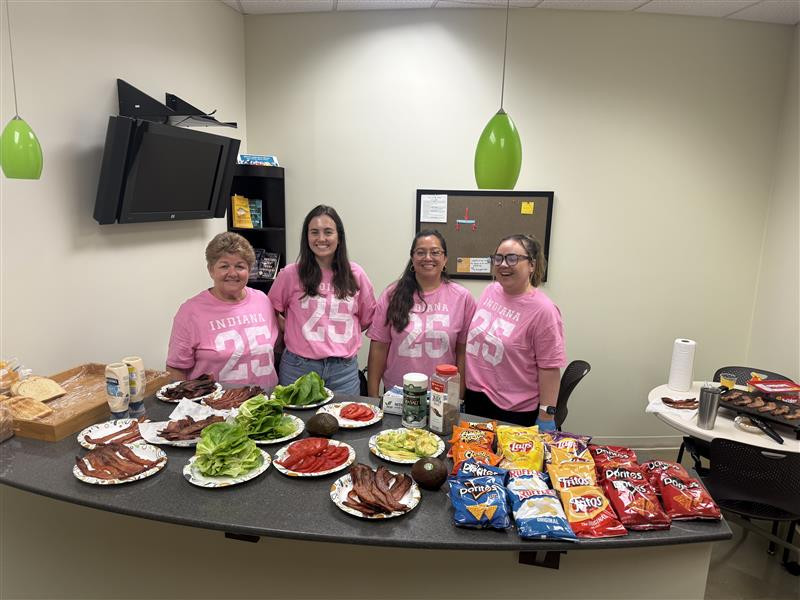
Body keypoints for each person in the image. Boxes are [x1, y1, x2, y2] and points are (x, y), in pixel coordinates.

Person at [268, 205, 376, 395]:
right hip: (298, 368)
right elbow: (270, 312)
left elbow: (367, 318)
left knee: (346, 423)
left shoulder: (356, 274)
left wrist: (334, 332)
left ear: (339, 236)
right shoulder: (290, 274)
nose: (321, 239)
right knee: (296, 423)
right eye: (314, 232)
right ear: (306, 237)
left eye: (328, 232)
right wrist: (292, 329)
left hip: (343, 371)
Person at [464, 234, 566, 431]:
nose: (503, 264)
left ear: (532, 265)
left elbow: (550, 369)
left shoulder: (544, 311)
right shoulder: (490, 291)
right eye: (498, 258)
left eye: (512, 258)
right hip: (476, 399)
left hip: (513, 411)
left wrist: (546, 416)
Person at [367, 230, 476, 397]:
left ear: (445, 259)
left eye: (435, 252)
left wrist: (458, 396)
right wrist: (372, 396)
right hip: (398, 394)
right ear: (412, 258)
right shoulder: (392, 295)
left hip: (443, 396)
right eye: (420, 252)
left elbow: (462, 352)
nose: (428, 257)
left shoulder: (463, 298)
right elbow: (379, 348)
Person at [166, 232, 280, 391]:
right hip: (215, 407)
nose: (232, 273)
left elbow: (277, 345)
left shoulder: (263, 301)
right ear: (211, 269)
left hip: (265, 404)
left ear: (249, 269)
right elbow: (176, 368)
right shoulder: (190, 312)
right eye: (224, 266)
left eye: (240, 266)